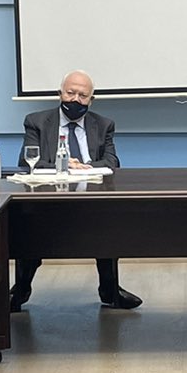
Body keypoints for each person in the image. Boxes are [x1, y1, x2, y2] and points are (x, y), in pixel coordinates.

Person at [10, 70, 140, 310]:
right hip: (47, 199)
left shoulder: (104, 125)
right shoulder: (37, 122)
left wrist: (85, 167)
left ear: (91, 100)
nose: (75, 100)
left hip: (92, 198)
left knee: (108, 223)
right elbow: (28, 162)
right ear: (60, 93)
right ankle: (20, 290)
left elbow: (112, 162)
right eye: (70, 93)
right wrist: (64, 165)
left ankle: (110, 290)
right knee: (27, 225)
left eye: (83, 96)